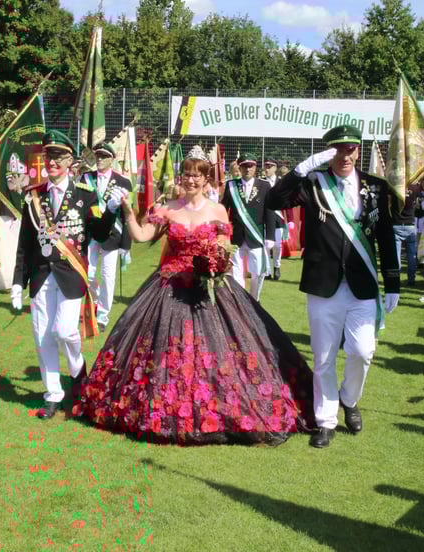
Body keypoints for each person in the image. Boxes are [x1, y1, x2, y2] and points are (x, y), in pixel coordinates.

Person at [73, 146, 314, 444]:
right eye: (187, 174)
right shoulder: (167, 208)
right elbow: (142, 236)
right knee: (163, 349)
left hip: (207, 288)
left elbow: (225, 247)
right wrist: (128, 213)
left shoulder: (217, 210)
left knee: (220, 349)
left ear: (206, 179)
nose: (190, 180)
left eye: (197, 175)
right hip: (168, 287)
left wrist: (217, 265)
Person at [267, 125, 400, 449]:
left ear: (359, 151)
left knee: (363, 351)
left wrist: (393, 281)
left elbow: (384, 235)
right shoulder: (313, 183)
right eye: (339, 149)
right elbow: (273, 200)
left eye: (351, 149)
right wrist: (303, 167)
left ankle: (349, 399)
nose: (346, 155)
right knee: (324, 357)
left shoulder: (375, 187)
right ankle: (326, 421)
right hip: (323, 284)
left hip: (362, 285)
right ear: (329, 152)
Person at [12, 130, 122, 420]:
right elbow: (25, 243)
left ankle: (78, 373)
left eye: (58, 157)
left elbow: (98, 233)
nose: (52, 162)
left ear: (70, 160)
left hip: (71, 276)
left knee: (65, 331)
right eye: (49, 156)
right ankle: (52, 394)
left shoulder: (85, 195)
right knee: (42, 336)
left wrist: (110, 212)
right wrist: (16, 282)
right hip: (40, 276)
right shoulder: (34, 196)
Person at [79, 141, 132, 332]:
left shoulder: (124, 182)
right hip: (91, 233)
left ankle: (102, 316)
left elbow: (127, 215)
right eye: (98, 156)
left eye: (104, 156)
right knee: (89, 273)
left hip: (112, 235)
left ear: (112, 159)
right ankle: (97, 299)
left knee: (108, 276)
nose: (99, 159)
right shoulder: (85, 178)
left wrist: (126, 244)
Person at [222, 152, 274, 301]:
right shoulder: (231, 185)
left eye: (250, 166)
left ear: (255, 167)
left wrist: (270, 236)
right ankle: (241, 301)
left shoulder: (264, 186)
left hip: (256, 236)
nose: (247, 169)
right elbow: (223, 209)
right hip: (237, 237)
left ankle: (254, 300)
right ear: (240, 167)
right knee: (236, 273)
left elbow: (269, 212)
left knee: (258, 272)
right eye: (244, 166)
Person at [262, 155, 287, 281]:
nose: (267, 169)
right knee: (266, 245)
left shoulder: (281, 182)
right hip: (265, 218)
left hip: (278, 217)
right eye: (266, 166)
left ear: (275, 168)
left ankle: (277, 266)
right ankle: (267, 270)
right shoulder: (260, 182)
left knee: (277, 245)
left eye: (270, 166)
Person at [393, 181, 421, 287]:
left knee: (396, 256)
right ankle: (411, 279)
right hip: (410, 224)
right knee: (411, 255)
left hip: (397, 223)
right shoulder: (415, 188)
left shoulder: (394, 185)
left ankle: (396, 279)